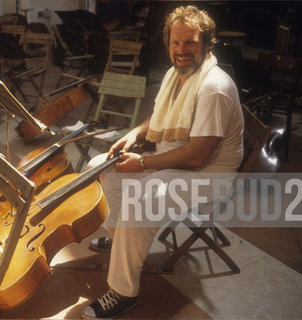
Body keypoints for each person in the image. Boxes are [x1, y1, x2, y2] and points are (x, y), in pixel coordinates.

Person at [81, 5, 244, 319]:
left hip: (209, 174)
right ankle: (120, 240)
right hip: (172, 163)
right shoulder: (176, 74)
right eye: (175, 42)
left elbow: (198, 156)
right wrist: (134, 133)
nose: (181, 50)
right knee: (100, 167)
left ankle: (122, 292)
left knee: (140, 201)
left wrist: (142, 164)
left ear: (208, 45)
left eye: (190, 42)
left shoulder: (214, 87)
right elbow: (159, 118)